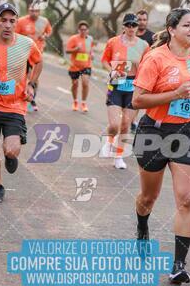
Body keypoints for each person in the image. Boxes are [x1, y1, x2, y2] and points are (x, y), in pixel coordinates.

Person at [132, 8, 190, 284]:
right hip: (155, 132)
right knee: (148, 198)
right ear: (171, 29)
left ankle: (178, 264)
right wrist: (174, 95)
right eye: (187, 25)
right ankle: (142, 225)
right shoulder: (155, 58)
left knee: (187, 198)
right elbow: (138, 100)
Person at [0, 2, 42, 203]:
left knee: (10, 149)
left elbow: (39, 61)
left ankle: (11, 156)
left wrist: (31, 85)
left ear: (16, 22)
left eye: (12, 20)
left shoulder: (26, 44)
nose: (8, 25)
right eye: (3, 20)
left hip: (15, 107)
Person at [101, 13, 149, 169]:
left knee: (126, 124)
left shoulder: (143, 45)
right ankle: (109, 141)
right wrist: (111, 71)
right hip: (115, 84)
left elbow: (147, 66)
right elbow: (104, 60)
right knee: (114, 125)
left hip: (132, 86)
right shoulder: (113, 42)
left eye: (134, 25)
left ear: (138, 27)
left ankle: (118, 157)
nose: (131, 28)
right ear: (123, 26)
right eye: (128, 25)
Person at [16, 5, 52, 111]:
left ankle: (32, 99)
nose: (34, 13)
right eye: (32, 10)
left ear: (39, 12)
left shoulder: (44, 21)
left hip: (37, 53)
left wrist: (45, 36)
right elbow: (15, 35)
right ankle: (23, 97)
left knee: (35, 78)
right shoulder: (21, 21)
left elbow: (49, 31)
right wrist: (25, 38)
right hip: (23, 53)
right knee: (25, 75)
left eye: (36, 11)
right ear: (28, 10)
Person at [131, 10, 155, 133]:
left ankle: (132, 121)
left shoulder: (152, 37)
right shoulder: (129, 35)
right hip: (127, 72)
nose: (142, 22)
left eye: (144, 20)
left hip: (143, 72)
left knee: (137, 98)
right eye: (139, 20)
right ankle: (127, 119)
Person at [65, 21, 94, 112]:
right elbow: (67, 51)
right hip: (75, 66)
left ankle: (84, 103)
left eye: (85, 29)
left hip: (86, 66)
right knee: (75, 84)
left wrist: (92, 54)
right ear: (78, 30)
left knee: (85, 83)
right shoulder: (73, 39)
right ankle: (75, 101)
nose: (83, 31)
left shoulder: (90, 39)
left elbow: (91, 50)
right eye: (81, 29)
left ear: (88, 30)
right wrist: (75, 49)